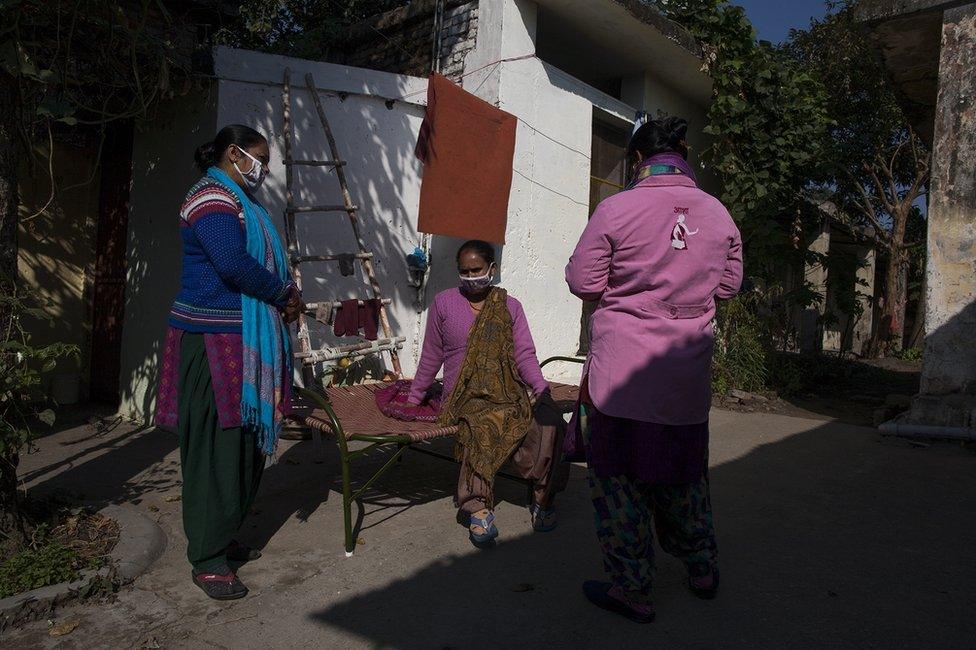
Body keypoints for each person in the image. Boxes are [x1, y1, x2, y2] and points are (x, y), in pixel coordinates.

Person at [565, 116, 743, 623]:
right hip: (684, 378)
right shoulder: (719, 213)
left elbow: (583, 280)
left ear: (639, 160)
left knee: (619, 483)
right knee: (685, 478)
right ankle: (703, 569)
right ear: (684, 156)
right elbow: (728, 287)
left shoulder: (616, 208)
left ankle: (634, 590)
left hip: (621, 378)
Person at [155, 124, 304, 600]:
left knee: (243, 445)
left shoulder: (243, 201)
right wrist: (282, 293)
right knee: (216, 450)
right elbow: (231, 263)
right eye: (259, 158)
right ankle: (207, 558)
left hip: (245, 339)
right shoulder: (210, 199)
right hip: (213, 340)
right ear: (234, 154)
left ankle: (223, 532)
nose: (263, 169)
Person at [407, 240, 569, 547]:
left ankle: (543, 498)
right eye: (464, 271)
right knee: (481, 423)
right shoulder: (444, 303)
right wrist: (415, 398)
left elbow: (524, 355)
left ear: (492, 269)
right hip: (465, 396)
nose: (470, 277)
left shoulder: (510, 306)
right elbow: (431, 354)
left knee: (550, 421)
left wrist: (540, 387)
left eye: (476, 270)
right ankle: (477, 506)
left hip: (507, 390)